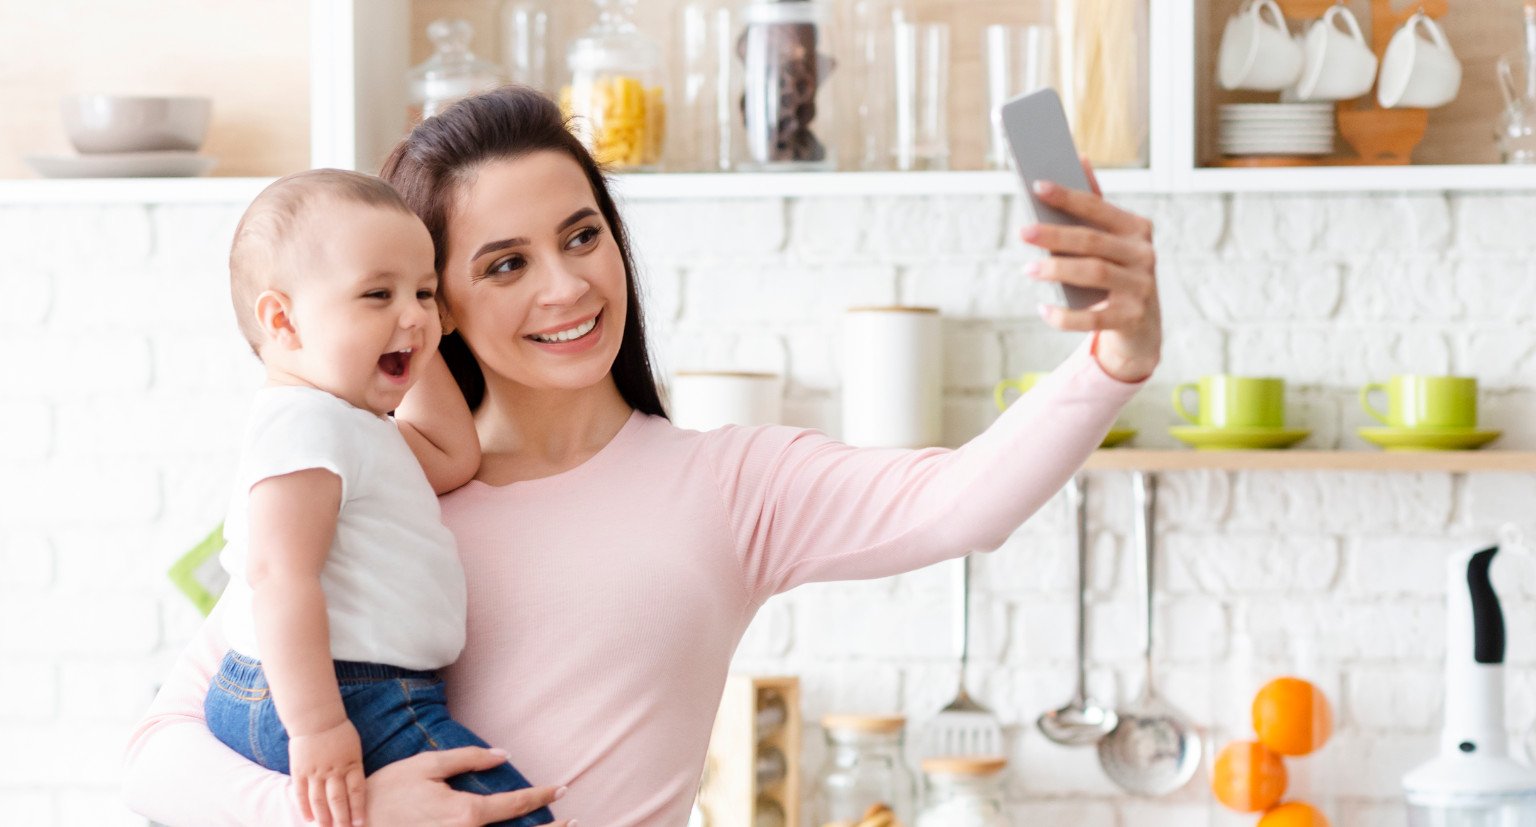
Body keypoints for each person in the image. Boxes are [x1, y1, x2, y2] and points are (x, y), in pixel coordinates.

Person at [123, 86, 1162, 826]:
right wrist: (344, 813)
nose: (568, 287)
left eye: (582, 236)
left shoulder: (723, 484)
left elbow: (960, 505)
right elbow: (161, 749)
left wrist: (1112, 362)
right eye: (505, 264)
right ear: (430, 304)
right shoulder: (372, 483)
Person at [200, 169, 555, 827]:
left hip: (342, 686)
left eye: (424, 292)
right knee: (512, 815)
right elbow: (280, 575)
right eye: (376, 293)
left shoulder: (351, 423)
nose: (417, 314)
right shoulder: (304, 424)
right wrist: (316, 726)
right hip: (345, 692)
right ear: (283, 320)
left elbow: (452, 455)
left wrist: (407, 338)